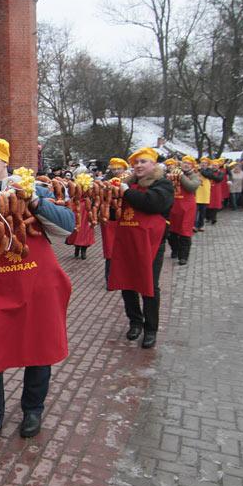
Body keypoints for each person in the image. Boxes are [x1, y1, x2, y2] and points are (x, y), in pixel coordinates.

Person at [0, 138, 74, 453]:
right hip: (0, 286)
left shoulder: (33, 188)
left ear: (4, 162)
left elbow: (68, 227)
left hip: (39, 282)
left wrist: (36, 203)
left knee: (38, 348)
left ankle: (32, 411)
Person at [107, 148, 174, 349]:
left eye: (143, 161)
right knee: (127, 283)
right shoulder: (127, 184)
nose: (138, 165)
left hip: (151, 243)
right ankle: (135, 322)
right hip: (128, 240)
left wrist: (126, 191)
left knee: (150, 285)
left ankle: (150, 328)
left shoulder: (163, 184)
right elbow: (113, 214)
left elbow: (152, 204)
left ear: (153, 164)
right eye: (135, 163)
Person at [167, 155, 201, 265]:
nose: (185, 165)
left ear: (192, 166)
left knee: (185, 232)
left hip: (187, 208)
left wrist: (181, 176)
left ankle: (183, 256)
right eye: (184, 162)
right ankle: (175, 250)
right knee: (171, 231)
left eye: (189, 163)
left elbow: (191, 187)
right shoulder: (174, 173)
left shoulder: (195, 176)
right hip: (174, 206)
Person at [65, 173, 95, 259]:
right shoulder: (75, 197)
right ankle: (77, 247)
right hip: (78, 210)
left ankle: (83, 251)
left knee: (86, 232)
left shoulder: (89, 197)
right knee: (77, 231)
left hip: (87, 213)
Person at [194, 157, 212, 232]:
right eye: (202, 163)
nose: (203, 164)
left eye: (205, 163)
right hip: (197, 192)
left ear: (207, 165)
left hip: (204, 193)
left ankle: (201, 225)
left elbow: (207, 175)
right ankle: (194, 225)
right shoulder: (195, 170)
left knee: (202, 211)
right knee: (195, 211)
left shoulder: (209, 171)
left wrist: (201, 170)